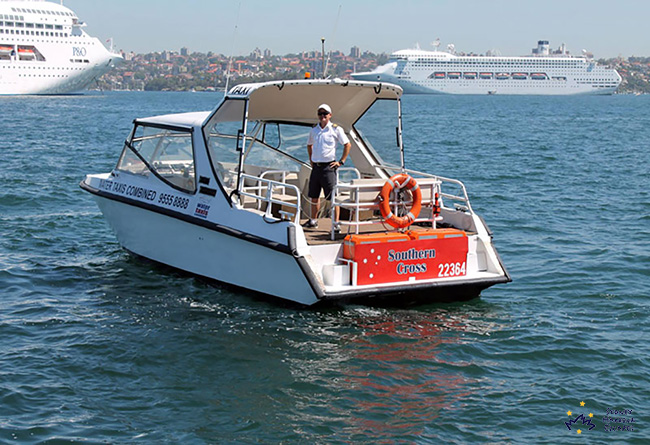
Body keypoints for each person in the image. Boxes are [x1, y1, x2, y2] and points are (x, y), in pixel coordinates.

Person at [303, 104, 351, 231]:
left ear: (330, 115)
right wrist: (311, 159)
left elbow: (347, 145)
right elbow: (309, 145)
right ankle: (313, 221)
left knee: (332, 197)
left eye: (325, 114)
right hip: (316, 168)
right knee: (314, 196)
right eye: (320, 114)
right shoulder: (314, 130)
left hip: (329, 167)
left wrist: (341, 161)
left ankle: (336, 224)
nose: (322, 116)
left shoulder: (335, 129)